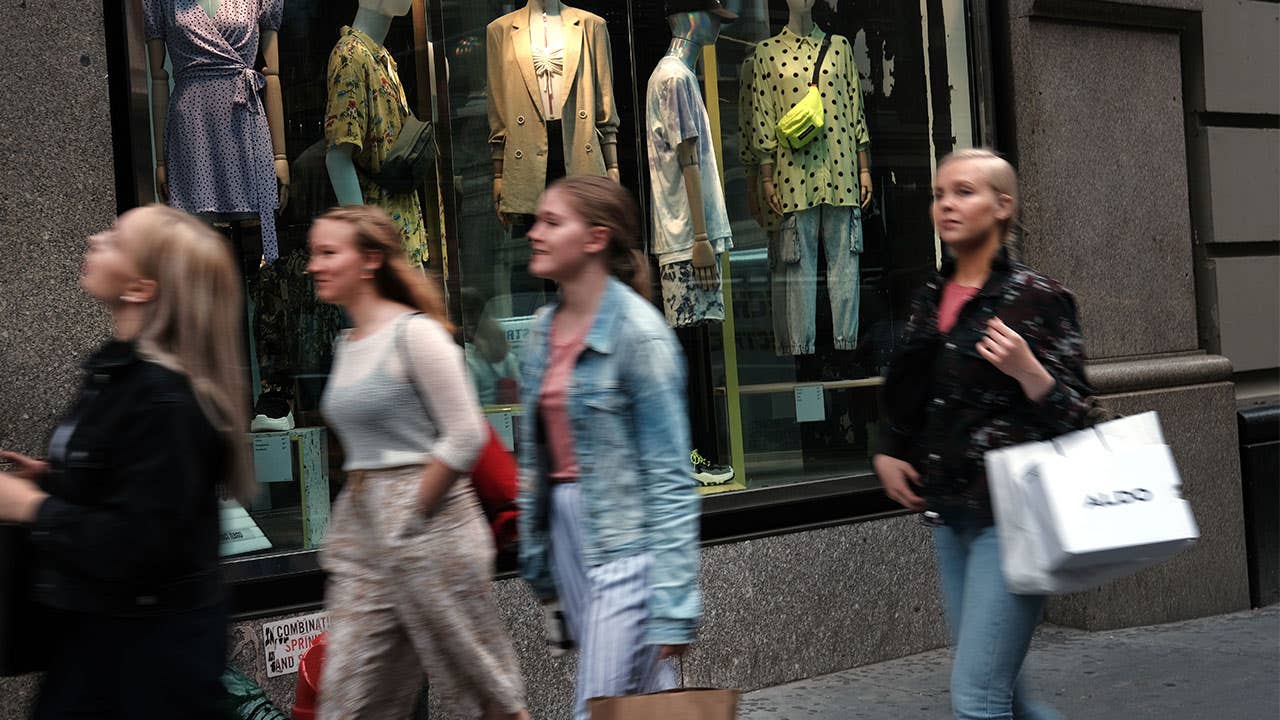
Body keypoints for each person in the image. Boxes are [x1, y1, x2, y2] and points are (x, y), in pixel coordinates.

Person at [0, 205, 252, 718]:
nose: (94, 239)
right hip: (102, 639)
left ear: (140, 288)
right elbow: (138, 485)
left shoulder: (166, 400)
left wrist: (30, 506)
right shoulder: (122, 374)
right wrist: (58, 477)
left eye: (115, 240)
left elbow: (139, 542)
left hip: (145, 661)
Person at [874, 148, 1092, 720]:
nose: (946, 204)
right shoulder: (929, 297)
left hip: (1014, 518)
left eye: (964, 192)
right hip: (950, 513)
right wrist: (890, 449)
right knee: (1007, 694)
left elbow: (1081, 419)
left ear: (1003, 207)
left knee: (978, 697)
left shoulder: (1039, 299)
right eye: (940, 193)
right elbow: (913, 394)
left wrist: (1028, 370)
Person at [306, 206, 528, 720]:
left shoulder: (418, 335)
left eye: (328, 252)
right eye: (314, 253)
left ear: (370, 261)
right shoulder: (347, 343)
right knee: (348, 691)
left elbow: (467, 433)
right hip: (365, 534)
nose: (314, 265)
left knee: (480, 686)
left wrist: (413, 510)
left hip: (432, 523)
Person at [516, 176, 702, 720]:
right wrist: (539, 562)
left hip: (627, 548)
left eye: (553, 222)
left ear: (595, 239)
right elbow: (537, 462)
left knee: (595, 709)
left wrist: (672, 604)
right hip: (569, 539)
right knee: (641, 703)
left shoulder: (639, 336)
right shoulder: (541, 331)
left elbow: (670, 480)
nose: (535, 233)